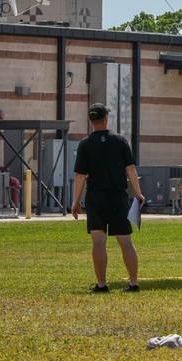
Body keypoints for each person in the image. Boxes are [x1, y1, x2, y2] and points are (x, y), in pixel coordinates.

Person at [71, 103, 146, 294]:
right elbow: (130, 169)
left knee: (98, 242)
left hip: (96, 196)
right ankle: (134, 283)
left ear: (90, 120)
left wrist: (75, 201)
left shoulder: (85, 144)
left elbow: (80, 175)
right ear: (106, 118)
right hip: (118, 196)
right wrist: (138, 193)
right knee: (125, 241)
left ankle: (102, 284)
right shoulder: (120, 141)